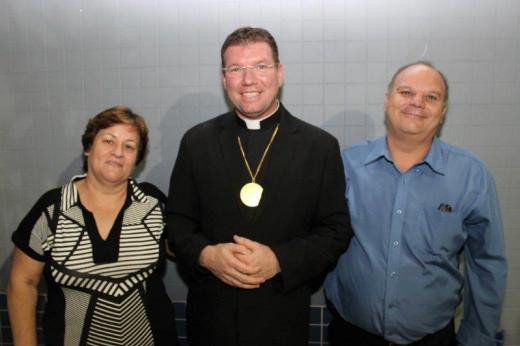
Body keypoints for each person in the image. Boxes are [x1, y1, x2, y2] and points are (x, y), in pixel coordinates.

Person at [166, 26, 352, 346]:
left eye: (260, 66)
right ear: (224, 79)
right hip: (212, 320)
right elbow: (177, 223)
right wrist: (207, 255)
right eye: (236, 69)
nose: (248, 80)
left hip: (281, 318)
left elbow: (335, 231)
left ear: (279, 73)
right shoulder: (197, 142)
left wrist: (279, 260)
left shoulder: (318, 146)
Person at [325, 61, 507, 346]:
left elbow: (487, 263)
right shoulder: (347, 165)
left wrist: (478, 337)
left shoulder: (471, 175)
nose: (417, 103)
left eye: (431, 97)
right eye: (406, 92)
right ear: (388, 101)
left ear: (443, 110)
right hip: (351, 334)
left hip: (432, 338)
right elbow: (320, 236)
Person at [8, 106, 178, 346]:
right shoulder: (52, 209)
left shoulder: (153, 203)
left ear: (136, 159)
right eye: (108, 140)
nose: (118, 152)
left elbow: (182, 244)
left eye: (129, 146)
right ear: (89, 147)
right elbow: (22, 282)